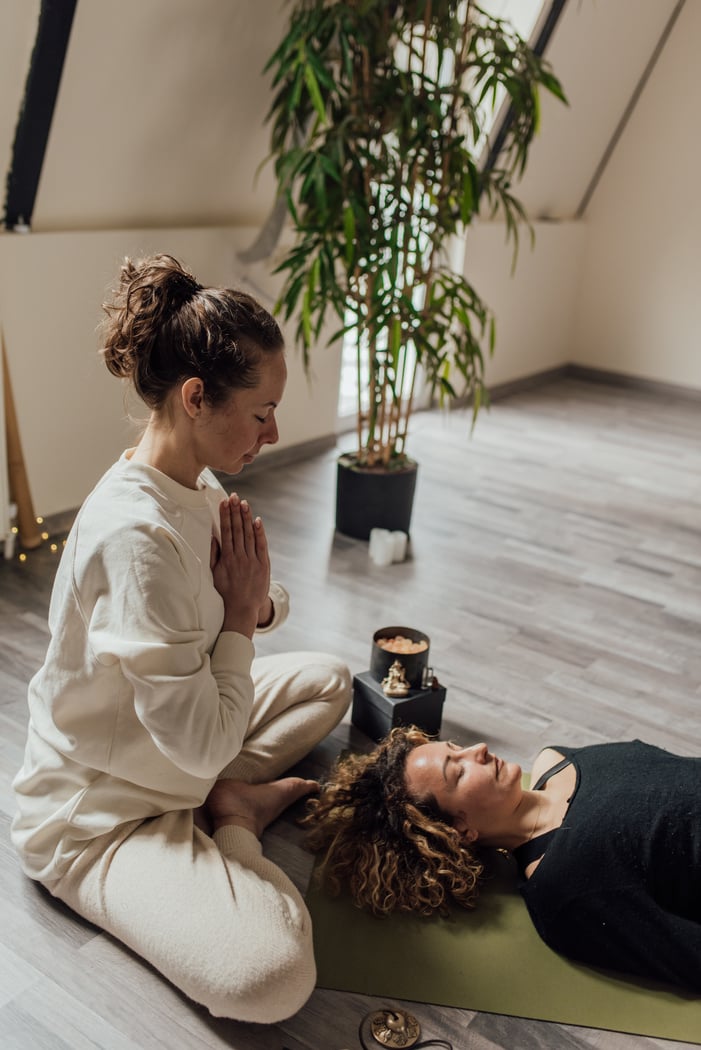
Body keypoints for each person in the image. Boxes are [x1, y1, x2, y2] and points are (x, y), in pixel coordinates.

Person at [11, 253, 352, 1023]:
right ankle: (236, 817)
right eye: (261, 411)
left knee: (328, 680)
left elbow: (255, 593)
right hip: (101, 818)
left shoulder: (192, 481)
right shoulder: (137, 537)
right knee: (269, 981)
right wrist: (238, 617)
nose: (274, 431)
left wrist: (250, 609)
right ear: (197, 398)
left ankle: (217, 802)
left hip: (181, 737)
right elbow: (201, 737)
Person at [302, 725, 701, 995]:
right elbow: (687, 955)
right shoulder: (564, 888)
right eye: (457, 772)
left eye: (456, 749)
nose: (478, 750)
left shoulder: (556, 758)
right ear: (458, 830)